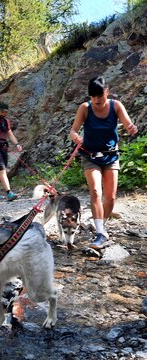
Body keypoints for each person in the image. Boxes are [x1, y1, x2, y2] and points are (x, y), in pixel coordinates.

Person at [70, 76, 138, 249]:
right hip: (90, 156)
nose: (96, 100)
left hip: (110, 156)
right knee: (95, 191)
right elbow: (73, 130)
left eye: (99, 96)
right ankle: (100, 233)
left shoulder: (116, 106)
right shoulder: (85, 108)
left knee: (111, 197)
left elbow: (128, 123)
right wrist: (76, 137)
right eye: (93, 96)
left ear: (106, 92)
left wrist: (131, 128)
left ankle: (101, 223)